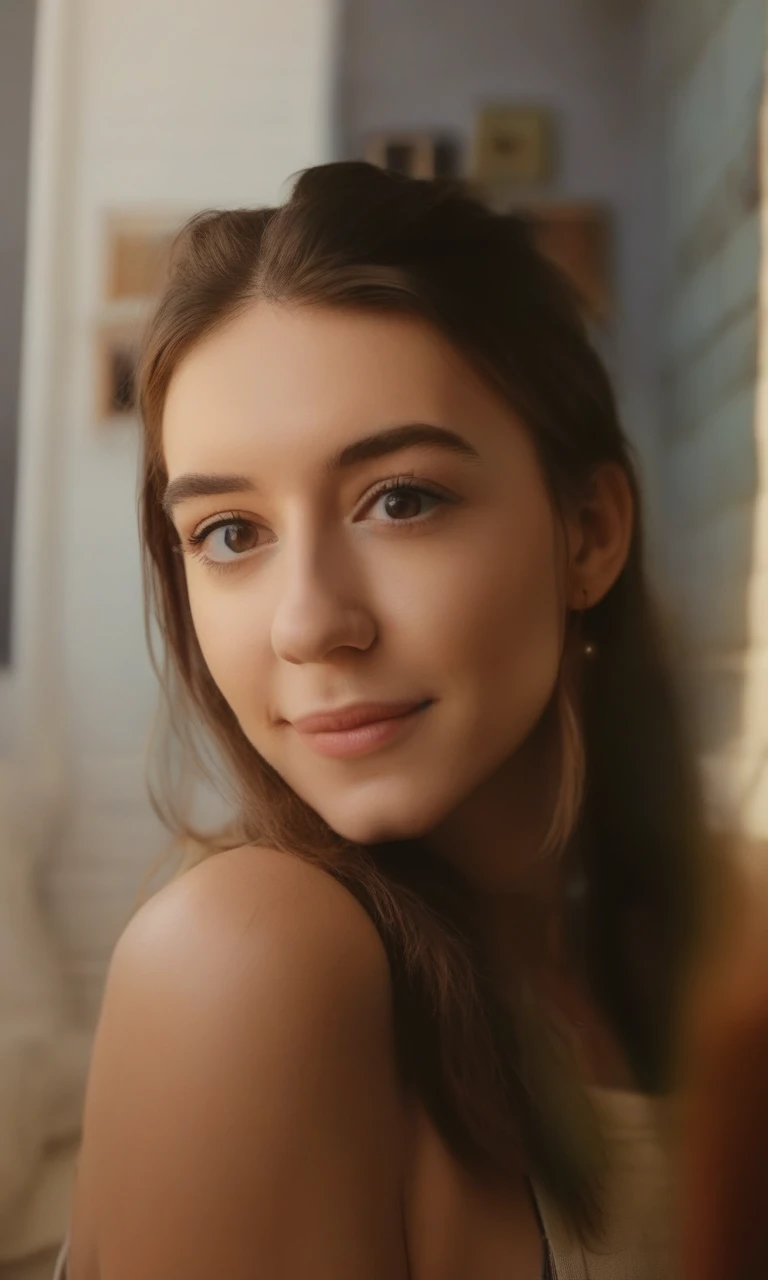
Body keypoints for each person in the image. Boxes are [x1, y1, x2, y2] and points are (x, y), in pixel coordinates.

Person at [56, 162, 709, 1279]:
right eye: (227, 531)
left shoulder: (657, 963)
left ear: (589, 531)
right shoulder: (253, 960)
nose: (310, 622)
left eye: (400, 499)